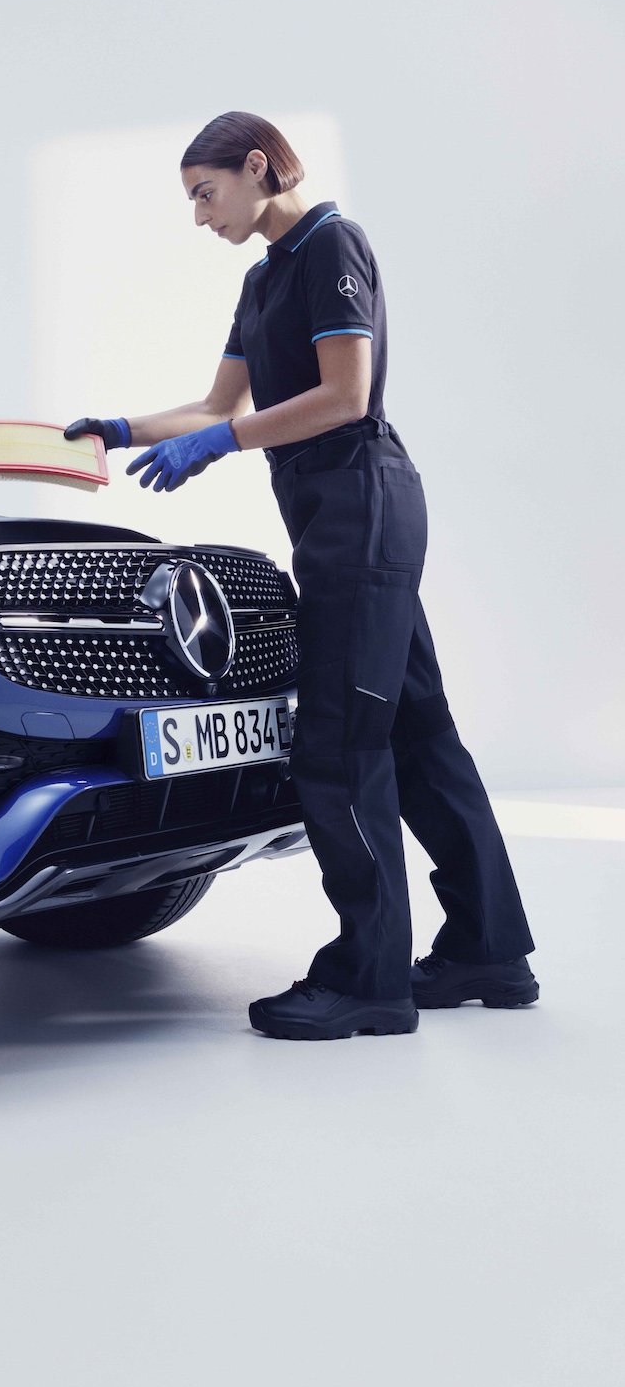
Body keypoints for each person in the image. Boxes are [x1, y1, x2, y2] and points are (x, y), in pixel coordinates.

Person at [64, 111, 536, 1040]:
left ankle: (370, 979)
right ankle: (489, 948)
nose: (200, 216)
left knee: (337, 743)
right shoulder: (262, 278)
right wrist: (119, 430)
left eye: (207, 193)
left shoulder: (331, 244)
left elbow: (344, 395)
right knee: (419, 734)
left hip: (362, 501)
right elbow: (217, 402)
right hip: (333, 517)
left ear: (256, 168)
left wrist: (221, 443)